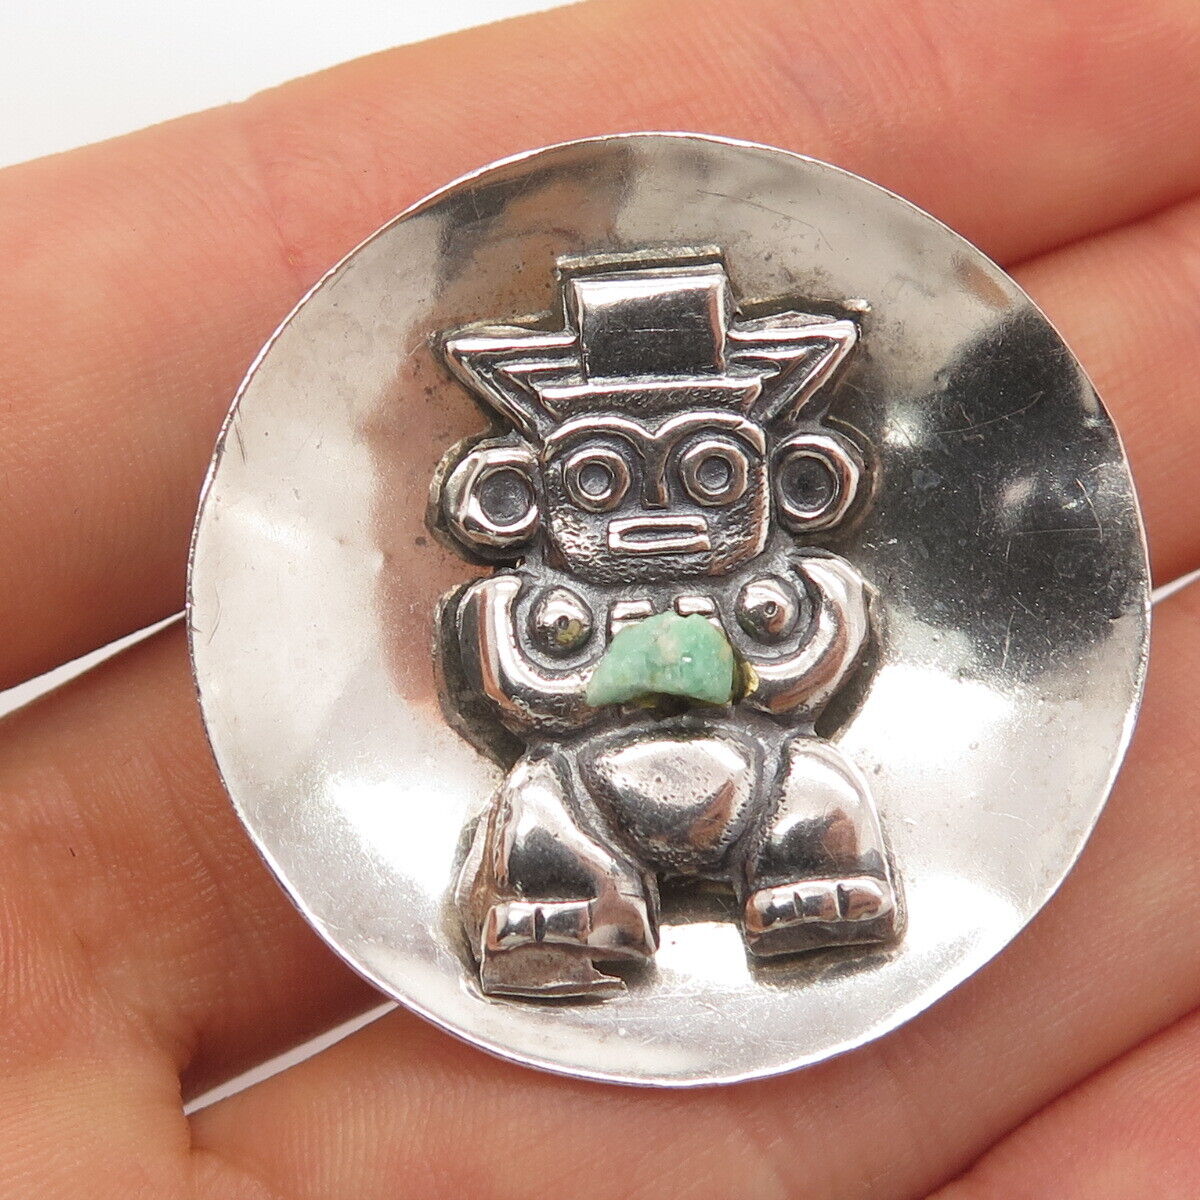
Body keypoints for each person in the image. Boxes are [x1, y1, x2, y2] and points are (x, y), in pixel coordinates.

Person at [1, 0, 1199, 1195]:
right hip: (590, 790)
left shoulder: (796, 588)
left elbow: (812, 668)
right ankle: (574, 912)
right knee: (540, 815)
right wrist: (594, 660)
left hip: (758, 777)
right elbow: (515, 688)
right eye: (600, 477)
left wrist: (754, 648)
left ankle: (807, 889)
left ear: (794, 481)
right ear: (521, 496)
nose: (658, 513)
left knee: (816, 798)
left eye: (712, 473)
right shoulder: (519, 612)